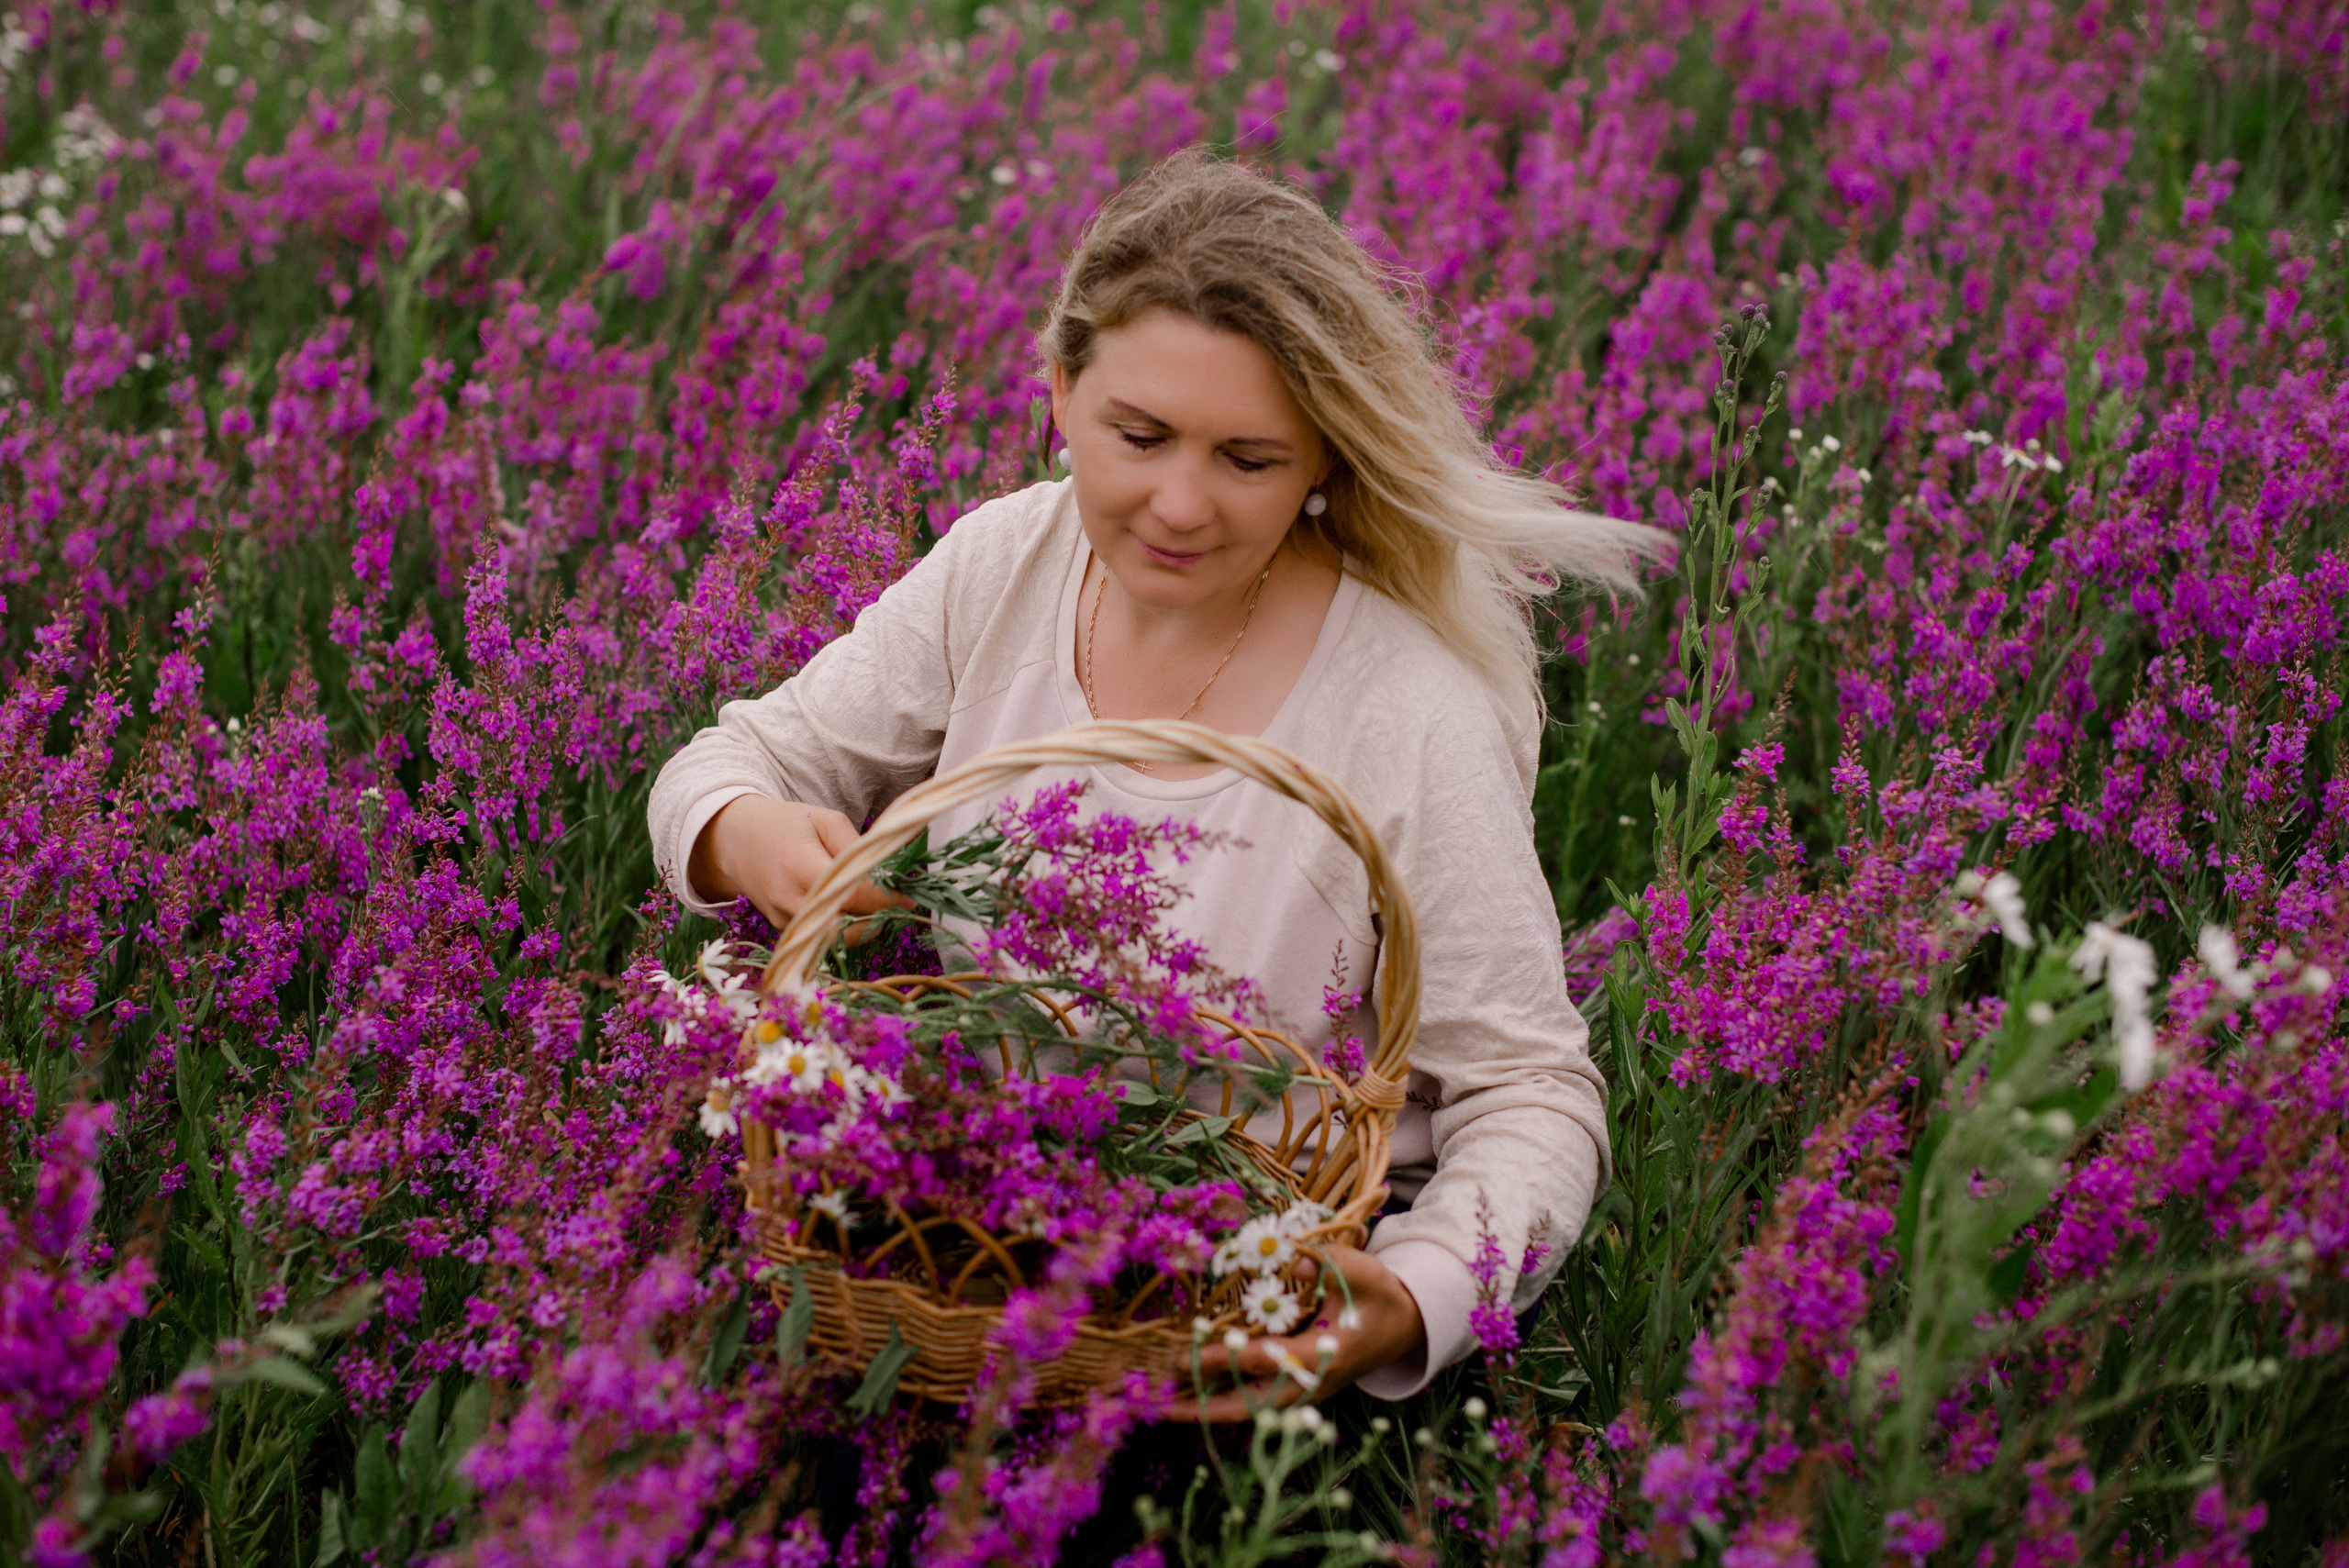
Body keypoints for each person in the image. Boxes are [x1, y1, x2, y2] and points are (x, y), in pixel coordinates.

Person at [647, 151, 1661, 1417]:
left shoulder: (1405, 708)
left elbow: (1532, 1091)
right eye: (1138, 436)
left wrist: (1409, 1296)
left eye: (1248, 459)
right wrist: (750, 839)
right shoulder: (1008, 561)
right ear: (1061, 390)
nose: (1178, 504)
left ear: (1324, 464)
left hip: (1232, 1307)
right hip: (974, 1248)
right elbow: (731, 759)